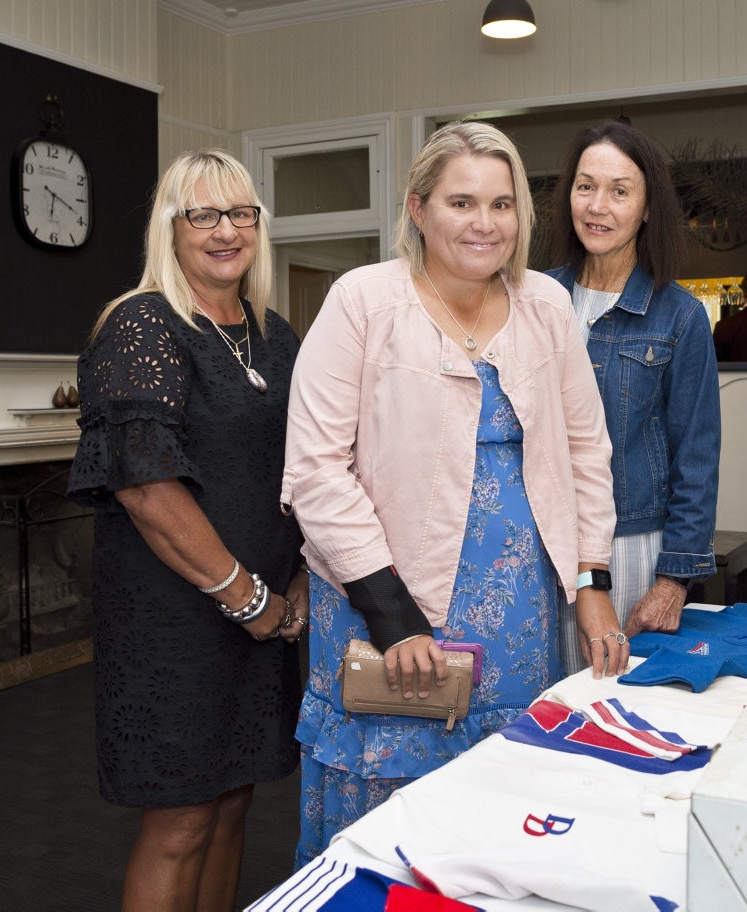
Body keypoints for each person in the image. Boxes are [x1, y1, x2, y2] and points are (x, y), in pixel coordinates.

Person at [282, 121, 627, 866]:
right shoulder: (363, 301)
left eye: (502, 205)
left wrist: (591, 579)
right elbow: (314, 468)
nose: (485, 223)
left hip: (519, 618)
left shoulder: (545, 305)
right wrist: (392, 614)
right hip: (385, 605)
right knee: (389, 825)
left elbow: (584, 449)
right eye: (462, 202)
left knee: (497, 817)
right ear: (417, 208)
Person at [67, 149, 308, 912]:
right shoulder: (141, 325)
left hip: (265, 614)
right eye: (203, 214)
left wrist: (295, 579)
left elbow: (307, 464)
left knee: (234, 801)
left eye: (240, 213)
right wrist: (247, 597)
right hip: (174, 617)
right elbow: (147, 488)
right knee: (180, 819)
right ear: (169, 229)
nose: (225, 230)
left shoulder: (274, 333)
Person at [546, 119, 722, 675]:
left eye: (619, 191)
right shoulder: (533, 298)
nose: (598, 206)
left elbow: (696, 456)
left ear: (647, 209)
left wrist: (673, 581)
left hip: (629, 548)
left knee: (613, 714)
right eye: (585, 186)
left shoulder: (680, 316)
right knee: (536, 712)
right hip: (536, 546)